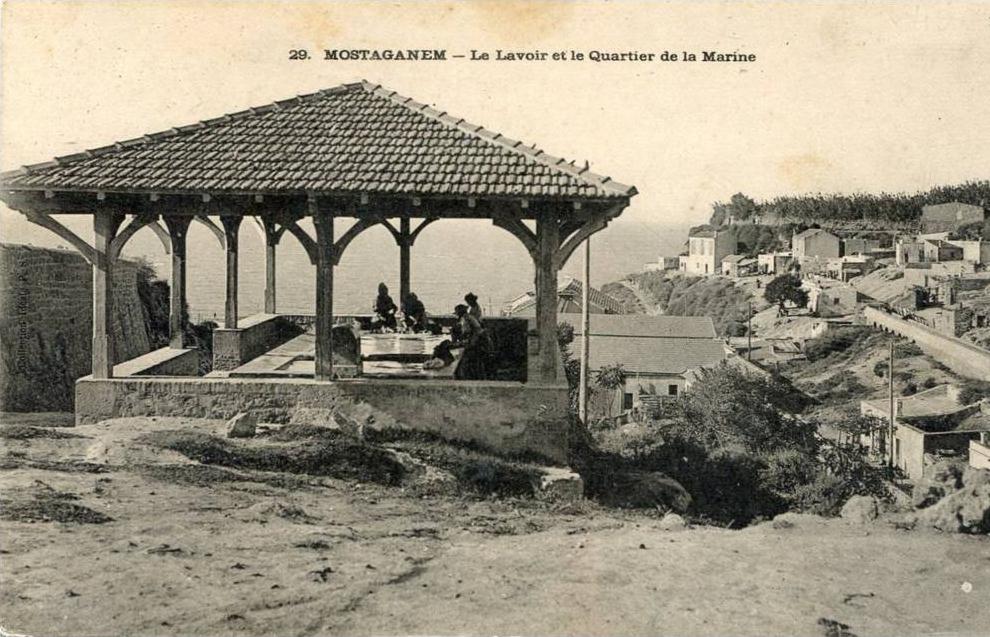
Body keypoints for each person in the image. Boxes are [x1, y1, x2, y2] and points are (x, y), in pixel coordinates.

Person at [452, 303, 487, 380]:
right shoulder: (469, 317)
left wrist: (457, 342)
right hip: (479, 343)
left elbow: (467, 334)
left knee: (462, 360)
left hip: (476, 345)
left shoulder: (466, 319)